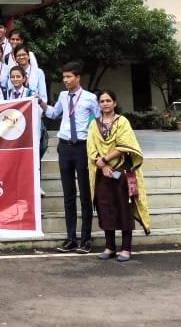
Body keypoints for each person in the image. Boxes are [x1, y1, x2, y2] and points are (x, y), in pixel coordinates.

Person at [42, 63, 99, 254]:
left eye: (69, 77)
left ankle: (86, 238)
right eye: (64, 77)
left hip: (82, 147)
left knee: (85, 195)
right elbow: (52, 113)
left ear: (78, 77)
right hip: (64, 147)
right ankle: (71, 238)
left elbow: (99, 122)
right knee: (68, 195)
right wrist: (40, 103)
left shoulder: (91, 98)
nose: (65, 80)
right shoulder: (63, 96)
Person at [87, 90, 150, 262]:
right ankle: (109, 247)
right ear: (98, 104)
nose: (105, 104)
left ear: (114, 103)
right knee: (105, 209)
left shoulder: (122, 122)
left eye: (108, 100)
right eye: (102, 101)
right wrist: (102, 165)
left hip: (122, 172)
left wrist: (106, 159)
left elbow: (125, 145)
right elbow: (91, 147)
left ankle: (126, 249)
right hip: (102, 173)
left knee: (124, 209)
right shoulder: (94, 124)